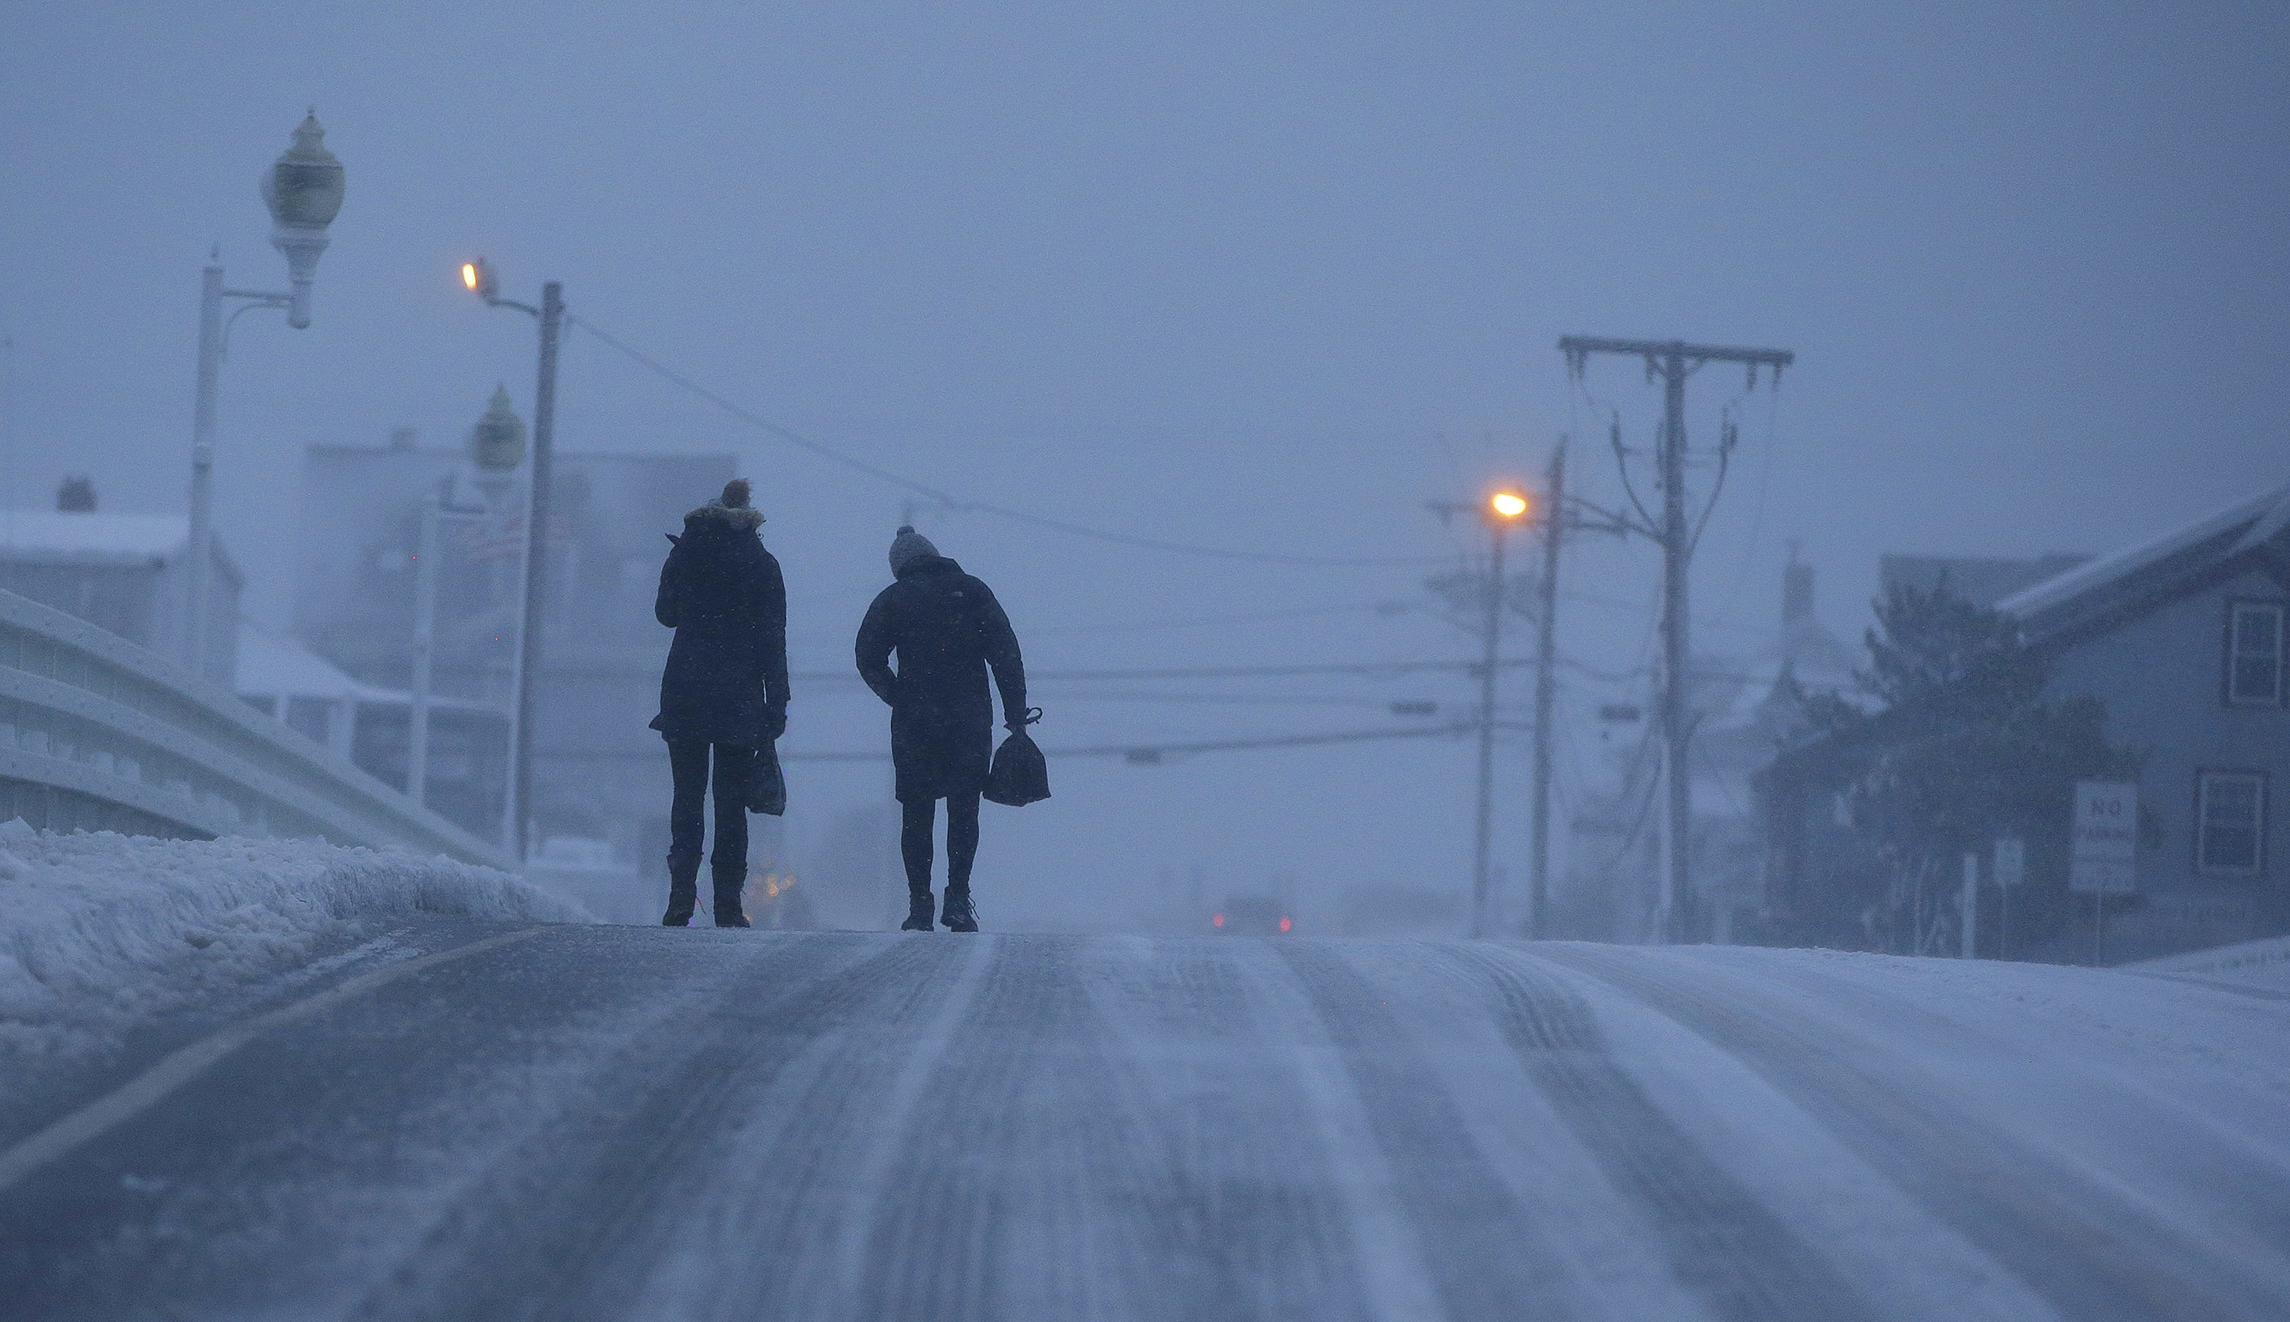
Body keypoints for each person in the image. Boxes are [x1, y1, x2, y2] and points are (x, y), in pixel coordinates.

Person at [856, 526, 1029, 932]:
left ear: (901, 566)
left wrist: (895, 694)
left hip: (915, 721)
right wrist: (1016, 715)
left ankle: (919, 904)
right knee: (963, 810)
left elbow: (867, 656)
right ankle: (957, 898)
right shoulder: (971, 591)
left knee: (916, 812)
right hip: (968, 718)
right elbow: (1006, 655)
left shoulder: (893, 599)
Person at [650, 479, 788, 927]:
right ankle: (728, 903)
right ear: (750, 521)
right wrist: (777, 703)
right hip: (739, 696)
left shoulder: (686, 554)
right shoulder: (763, 565)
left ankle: (681, 899)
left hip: (686, 690)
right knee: (730, 802)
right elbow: (773, 640)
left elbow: (666, 614)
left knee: (687, 796)